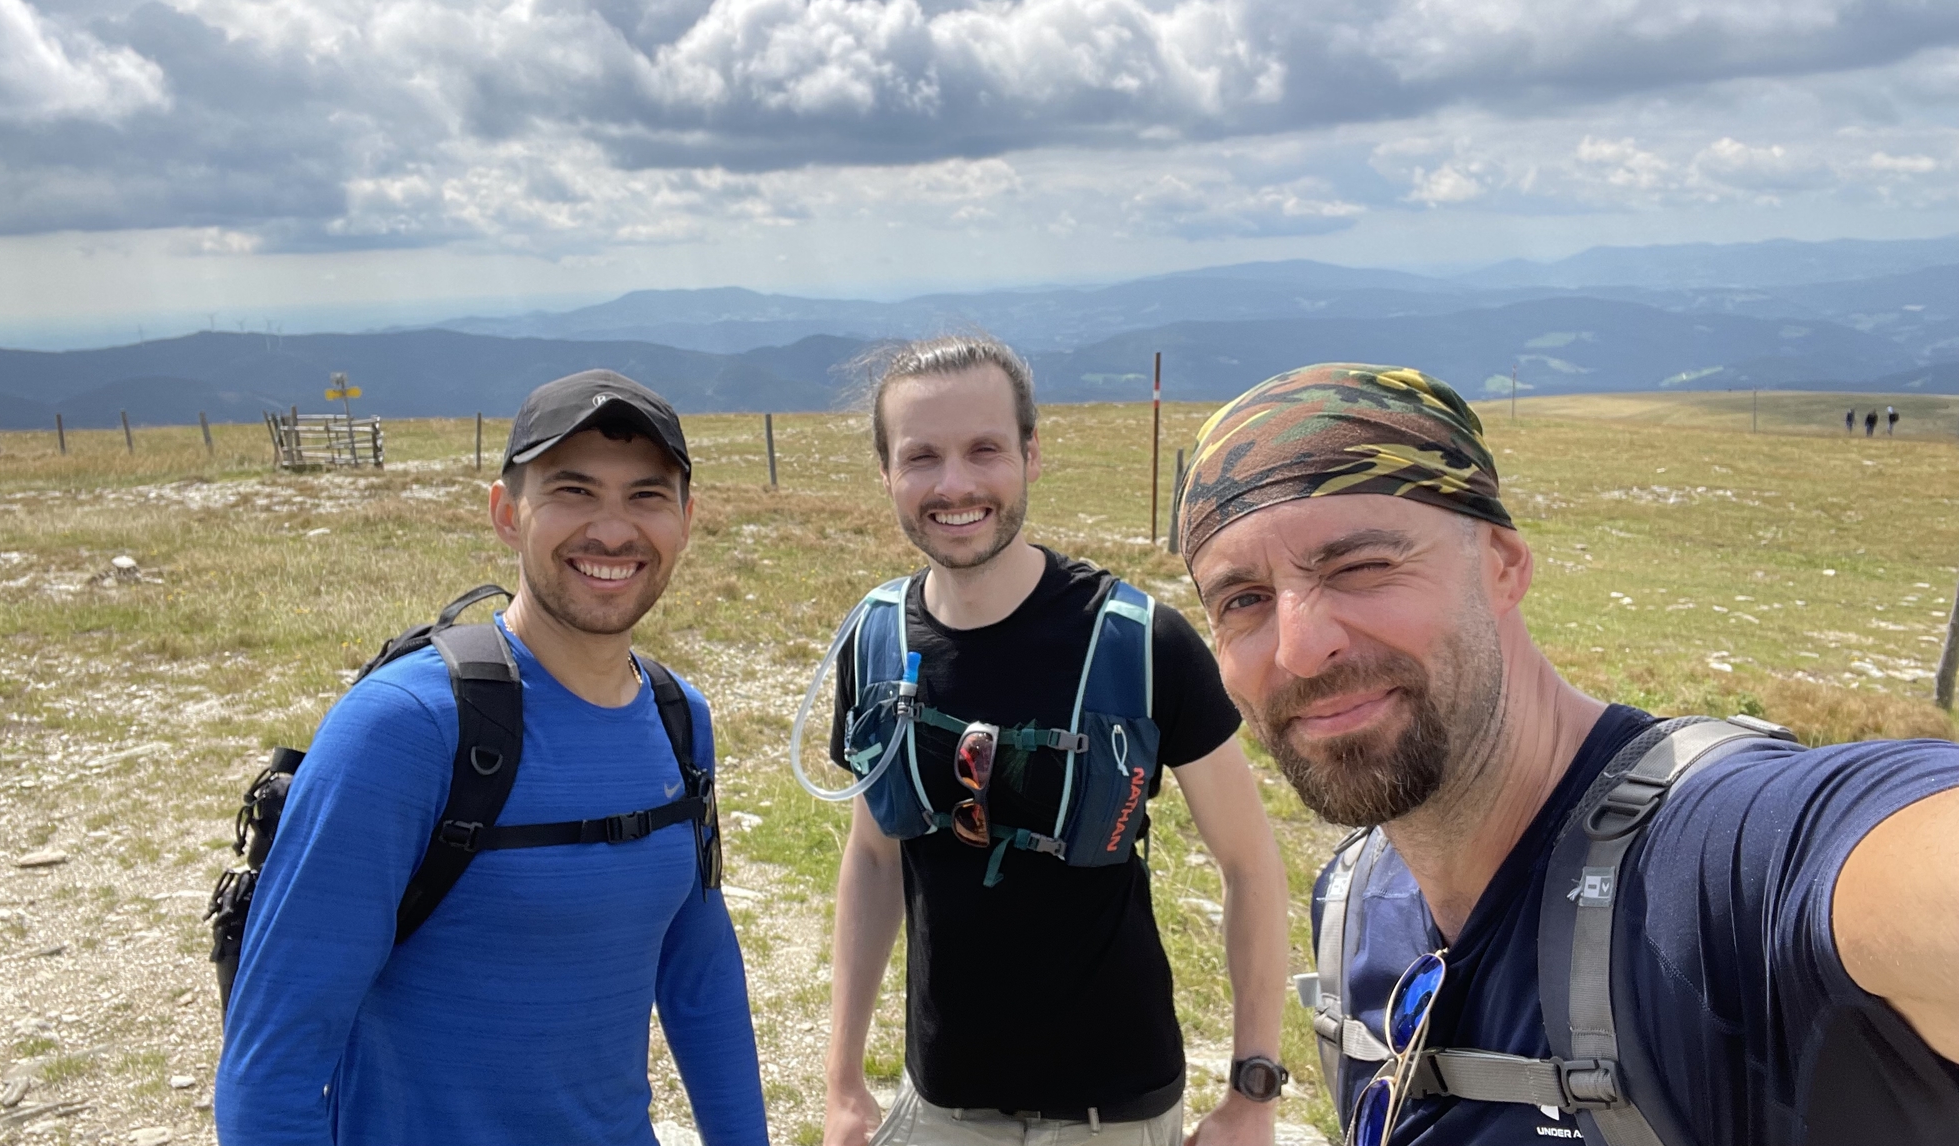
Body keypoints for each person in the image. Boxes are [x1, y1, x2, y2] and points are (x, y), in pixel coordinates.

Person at [1177, 363, 1959, 1145]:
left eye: (1361, 566)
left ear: (1504, 565)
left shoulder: (1721, 866)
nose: (1302, 647)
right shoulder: (1358, 905)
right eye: (1243, 600)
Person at [215, 371, 768, 1145]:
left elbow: (700, 978)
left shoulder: (681, 721)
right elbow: (271, 1067)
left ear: (685, 519)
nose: (612, 531)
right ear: (507, 514)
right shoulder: (404, 728)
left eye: (645, 496)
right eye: (572, 491)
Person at [821, 336, 1292, 1146]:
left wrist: (1254, 1091)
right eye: (921, 456)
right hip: (940, 1107)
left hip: (1116, 1111)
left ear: (1032, 455)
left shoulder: (1144, 644)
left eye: (985, 450)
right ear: (887, 473)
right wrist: (843, 1084)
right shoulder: (875, 644)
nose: (955, 484)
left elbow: (1251, 866)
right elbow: (873, 855)